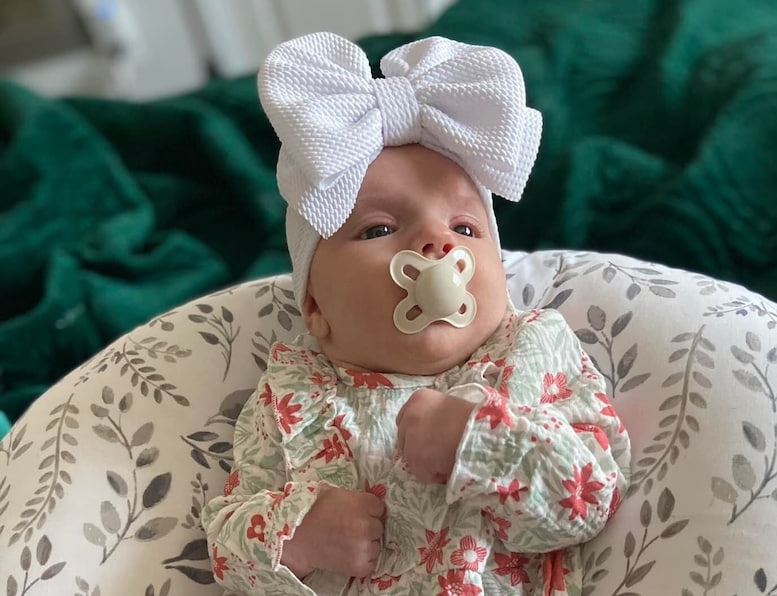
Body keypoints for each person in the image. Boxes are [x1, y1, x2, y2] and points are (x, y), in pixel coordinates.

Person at [202, 32, 631, 595]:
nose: (436, 241)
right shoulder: (293, 391)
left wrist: (479, 440)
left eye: (465, 227)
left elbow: (592, 497)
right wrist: (298, 537)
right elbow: (228, 545)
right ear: (316, 308)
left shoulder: (532, 349)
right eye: (378, 229)